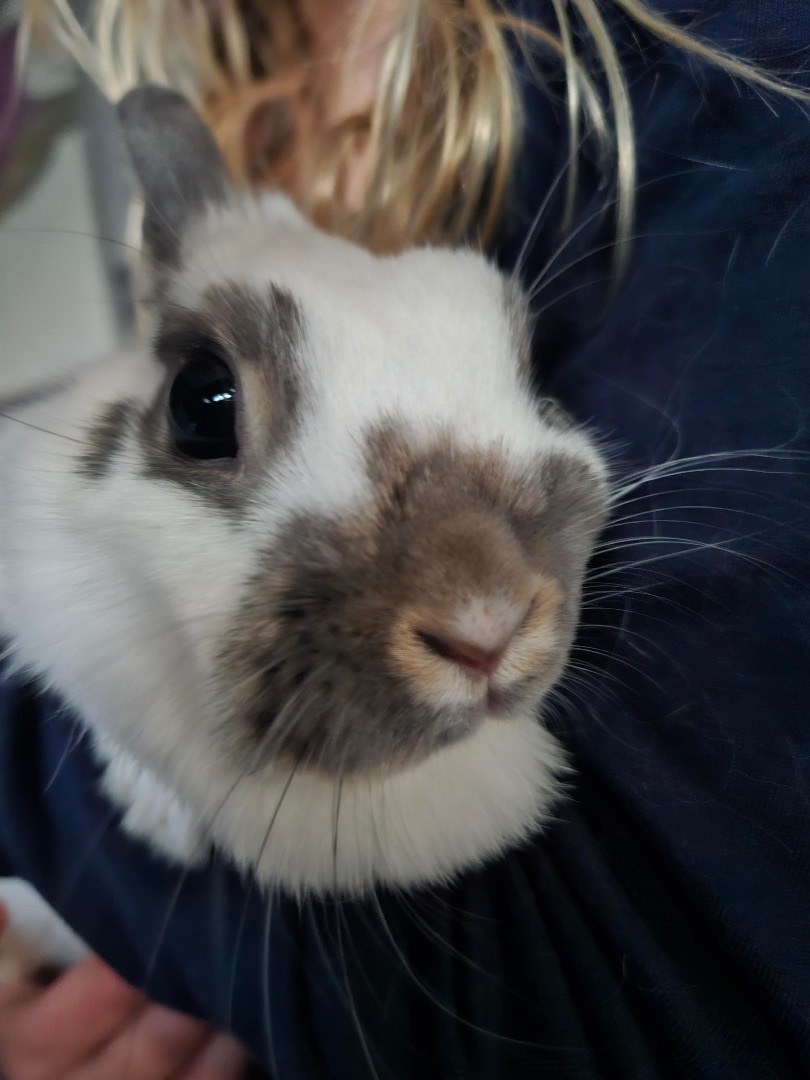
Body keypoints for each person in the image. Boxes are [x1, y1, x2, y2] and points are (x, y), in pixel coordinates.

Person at [1, 1, 809, 1077]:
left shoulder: (716, 73)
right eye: (209, 408)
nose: (483, 608)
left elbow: (611, 976)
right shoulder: (234, 128)